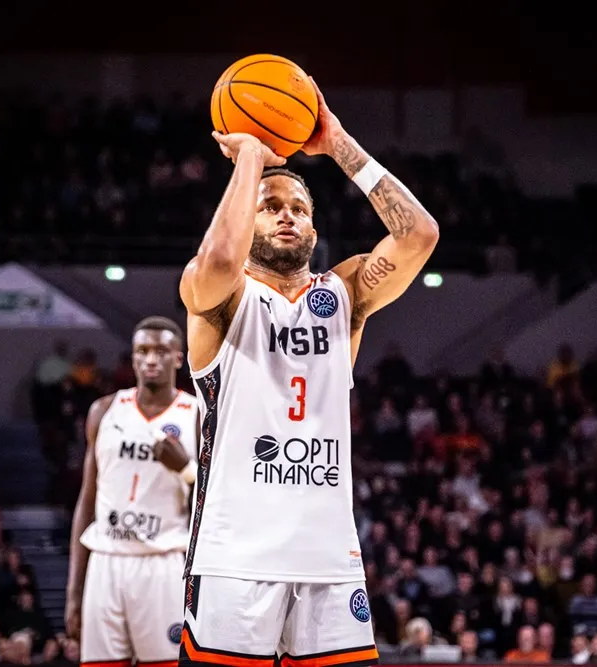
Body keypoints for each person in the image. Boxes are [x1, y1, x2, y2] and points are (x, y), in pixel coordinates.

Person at [178, 77, 439, 665]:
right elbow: (220, 257)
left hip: (329, 558)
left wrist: (340, 143)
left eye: (299, 208)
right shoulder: (219, 297)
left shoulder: (342, 293)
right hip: (235, 558)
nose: (287, 216)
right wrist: (251, 157)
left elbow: (420, 234)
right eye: (271, 207)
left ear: (315, 231)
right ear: (249, 220)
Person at [65, 316, 200, 666]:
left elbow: (217, 500)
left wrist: (186, 469)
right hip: (106, 560)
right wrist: (74, 593)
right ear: (133, 357)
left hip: (163, 560)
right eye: (142, 350)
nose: (151, 359)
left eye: (161, 351)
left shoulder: (197, 413)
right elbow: (86, 499)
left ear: (178, 358)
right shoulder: (104, 410)